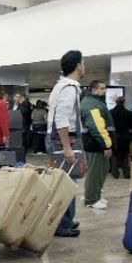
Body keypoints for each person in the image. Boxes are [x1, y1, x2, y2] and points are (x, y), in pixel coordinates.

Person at [46, 50, 87, 238]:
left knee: (66, 181)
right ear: (78, 66)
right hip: (63, 139)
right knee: (66, 183)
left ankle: (66, 219)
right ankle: (62, 224)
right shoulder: (69, 88)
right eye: (83, 63)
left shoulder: (62, 86)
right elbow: (62, 119)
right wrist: (67, 147)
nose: (84, 67)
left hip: (59, 138)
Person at [80, 80, 113, 209]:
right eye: (102, 88)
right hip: (96, 144)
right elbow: (97, 127)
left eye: (105, 88)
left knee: (98, 171)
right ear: (93, 89)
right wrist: (106, 145)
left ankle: (95, 195)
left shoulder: (94, 103)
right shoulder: (92, 105)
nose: (104, 91)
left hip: (94, 143)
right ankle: (91, 199)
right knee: (96, 172)